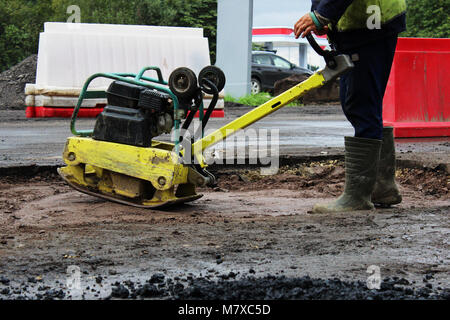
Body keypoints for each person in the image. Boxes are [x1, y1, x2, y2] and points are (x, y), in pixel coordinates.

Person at [293, 0, 407, 213]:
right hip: (368, 24)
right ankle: (381, 185)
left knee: (361, 104)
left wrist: (322, 15)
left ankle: (358, 196)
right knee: (359, 102)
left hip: (370, 26)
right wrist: (321, 15)